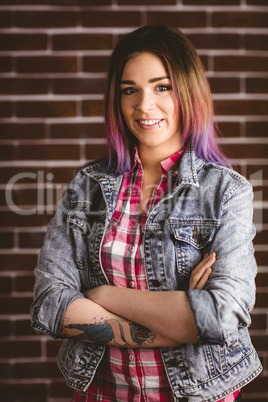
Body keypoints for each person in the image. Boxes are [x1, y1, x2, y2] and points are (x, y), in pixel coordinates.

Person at [31, 26, 262, 401]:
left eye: (161, 87)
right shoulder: (84, 188)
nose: (144, 105)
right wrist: (180, 317)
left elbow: (222, 315)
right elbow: (50, 303)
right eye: (129, 90)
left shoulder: (226, 192)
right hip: (103, 393)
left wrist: (102, 294)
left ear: (187, 92)